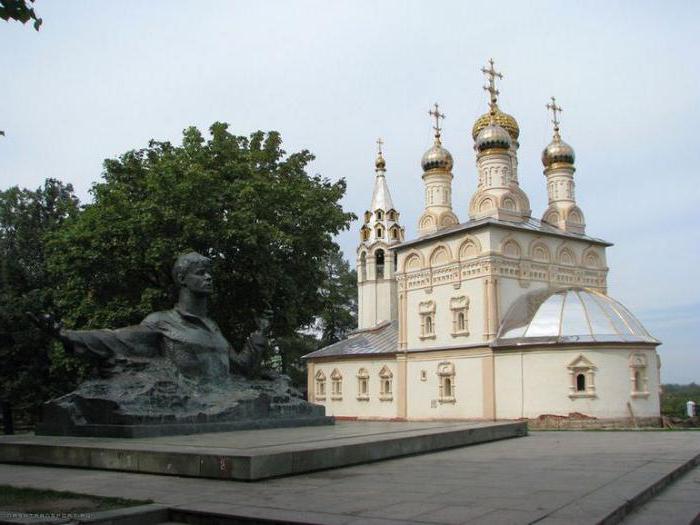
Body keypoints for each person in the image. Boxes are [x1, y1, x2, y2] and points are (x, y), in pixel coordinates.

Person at [31, 251, 264, 382]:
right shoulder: (162, 322)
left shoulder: (213, 327)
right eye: (201, 273)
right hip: (191, 404)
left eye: (210, 273)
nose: (209, 278)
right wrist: (66, 335)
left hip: (225, 402)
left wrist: (260, 335)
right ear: (182, 279)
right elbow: (115, 338)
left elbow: (241, 368)